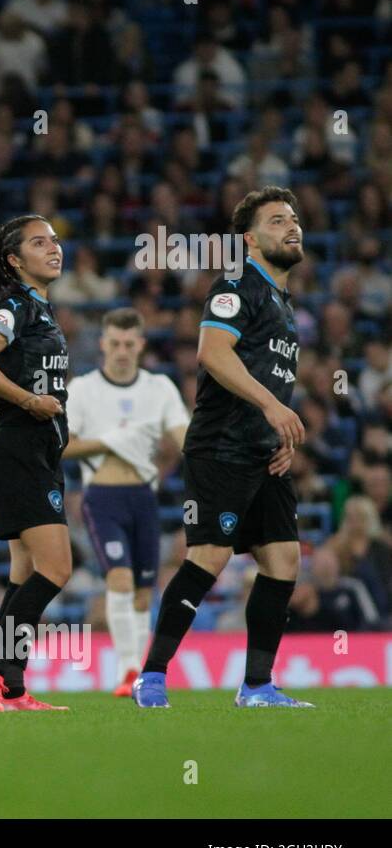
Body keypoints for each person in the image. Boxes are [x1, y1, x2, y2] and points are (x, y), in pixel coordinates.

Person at [134, 187, 311, 709]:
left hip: (264, 453)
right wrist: (273, 410)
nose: (293, 226)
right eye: (278, 221)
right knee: (207, 559)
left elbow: (271, 379)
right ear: (250, 240)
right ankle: (152, 676)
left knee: (283, 560)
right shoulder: (237, 283)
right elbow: (213, 353)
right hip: (221, 447)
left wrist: (279, 433)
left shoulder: (283, 300)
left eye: (295, 219)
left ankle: (257, 685)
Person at [0, 215, 72, 711]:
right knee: (57, 568)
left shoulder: (39, 310)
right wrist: (29, 401)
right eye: (39, 242)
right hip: (19, 448)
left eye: (55, 240)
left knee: (25, 572)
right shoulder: (15, 306)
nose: (54, 247)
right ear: (13, 259)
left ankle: (12, 685)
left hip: (39, 450)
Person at [63, 308, 189, 695]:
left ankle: (140, 670)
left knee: (143, 591)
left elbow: (184, 436)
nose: (121, 351)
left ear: (140, 345)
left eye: (128, 344)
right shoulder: (83, 389)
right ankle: (129, 669)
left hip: (143, 496)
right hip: (102, 495)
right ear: (103, 344)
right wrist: (112, 441)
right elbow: (61, 445)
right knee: (118, 576)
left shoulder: (158, 388)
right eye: (114, 343)